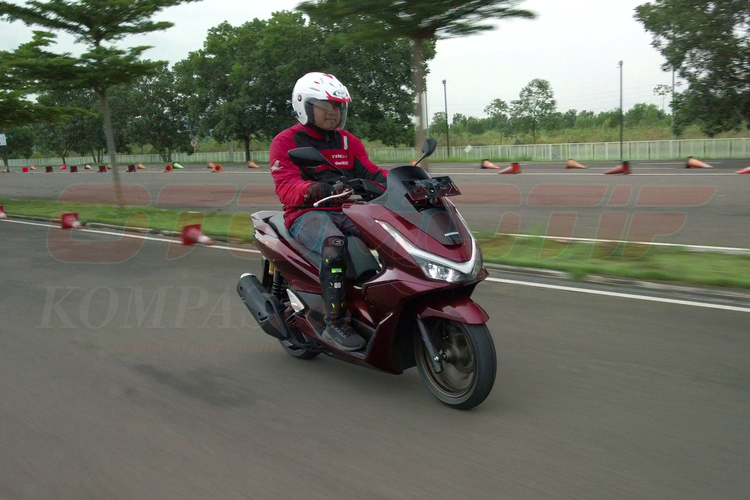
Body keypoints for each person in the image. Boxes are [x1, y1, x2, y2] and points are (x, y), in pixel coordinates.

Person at [270, 72, 388, 352]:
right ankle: (336, 322)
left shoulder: (348, 142)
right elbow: (286, 185)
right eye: (328, 106)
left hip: (349, 210)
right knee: (334, 245)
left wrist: (408, 180)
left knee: (391, 236)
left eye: (338, 107)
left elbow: (372, 173)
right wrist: (313, 189)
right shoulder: (286, 142)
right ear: (305, 105)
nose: (334, 112)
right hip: (306, 214)